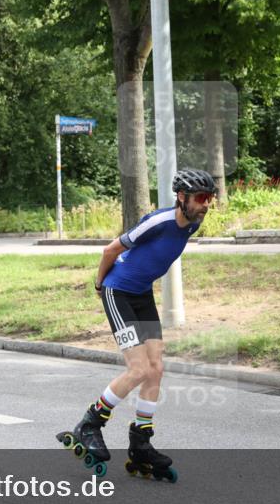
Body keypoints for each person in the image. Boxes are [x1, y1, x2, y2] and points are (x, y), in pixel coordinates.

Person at [58, 169, 217, 478]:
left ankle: (140, 443)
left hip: (141, 294)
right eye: (200, 198)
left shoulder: (192, 224)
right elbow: (111, 249)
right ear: (181, 198)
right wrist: (99, 283)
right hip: (118, 292)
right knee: (139, 369)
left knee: (156, 368)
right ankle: (89, 423)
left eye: (209, 198)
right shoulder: (160, 222)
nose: (206, 204)